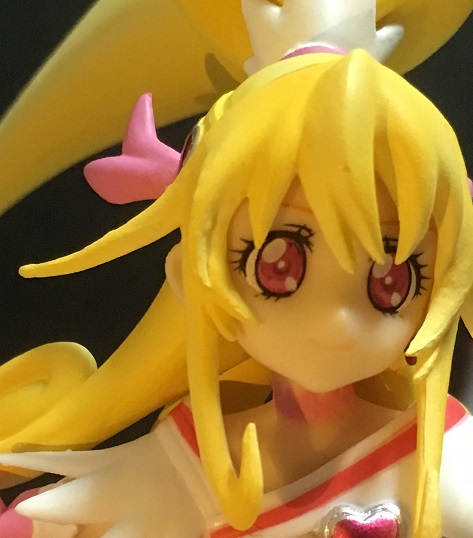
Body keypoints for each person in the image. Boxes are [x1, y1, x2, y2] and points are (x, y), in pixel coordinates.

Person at [0, 46, 472, 537]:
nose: (337, 323)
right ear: (191, 276)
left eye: (390, 281)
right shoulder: (174, 473)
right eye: (279, 266)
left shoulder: (449, 456)